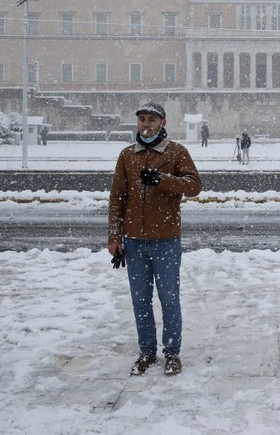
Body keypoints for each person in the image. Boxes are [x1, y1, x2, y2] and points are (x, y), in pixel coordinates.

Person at [107, 103, 201, 377]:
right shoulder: (127, 156)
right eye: (142, 120)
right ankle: (147, 351)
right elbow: (117, 199)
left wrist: (162, 179)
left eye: (152, 120)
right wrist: (115, 236)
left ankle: (172, 353)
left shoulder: (176, 152)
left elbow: (194, 186)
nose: (146, 125)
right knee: (140, 300)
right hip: (134, 241)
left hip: (166, 239)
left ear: (163, 122)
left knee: (169, 299)